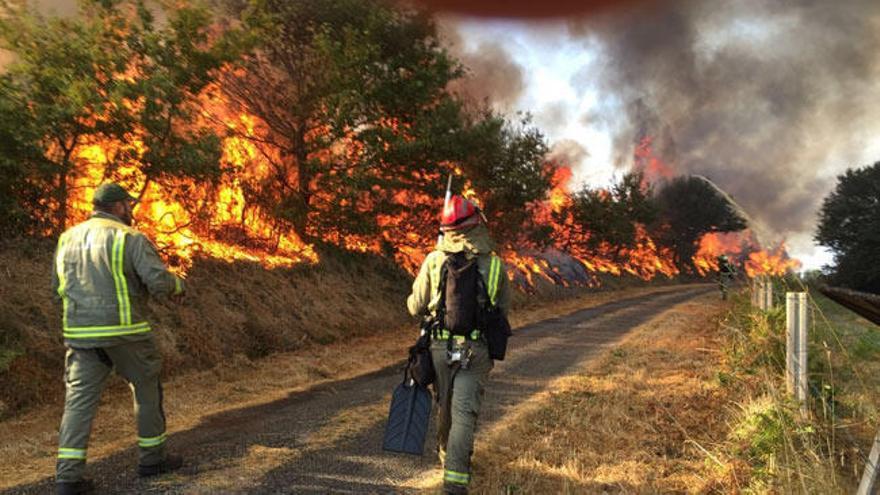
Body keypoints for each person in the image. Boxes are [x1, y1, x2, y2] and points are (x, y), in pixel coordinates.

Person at [52, 183, 186, 495]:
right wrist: (178, 287)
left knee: (78, 404)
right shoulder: (130, 237)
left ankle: (68, 478)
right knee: (146, 388)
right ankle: (152, 460)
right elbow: (157, 282)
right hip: (126, 332)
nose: (131, 209)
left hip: (80, 335)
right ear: (116, 207)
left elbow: (57, 287)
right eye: (128, 204)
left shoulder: (67, 238)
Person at [407, 195, 511, 495]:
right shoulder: (493, 265)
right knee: (464, 415)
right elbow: (502, 310)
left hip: (440, 349)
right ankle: (455, 482)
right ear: (477, 225)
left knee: (446, 411)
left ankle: (448, 460)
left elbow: (416, 306)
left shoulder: (434, 260)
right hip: (476, 351)